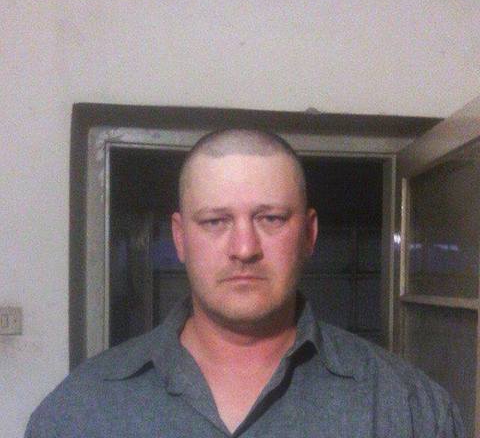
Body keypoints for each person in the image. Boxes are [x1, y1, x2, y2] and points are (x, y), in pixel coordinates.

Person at [26, 128, 464, 437]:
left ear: (309, 234)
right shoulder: (77, 412)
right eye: (215, 221)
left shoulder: (410, 410)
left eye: (270, 218)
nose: (244, 248)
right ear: (180, 238)